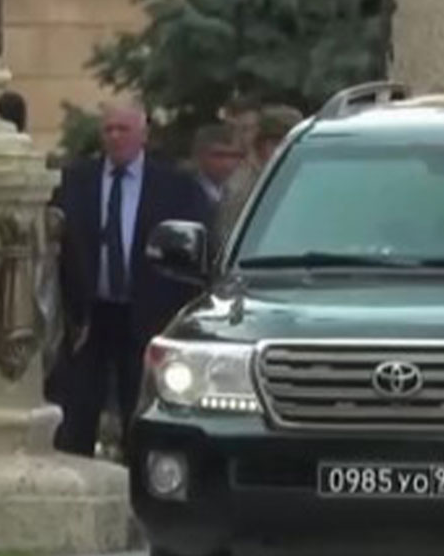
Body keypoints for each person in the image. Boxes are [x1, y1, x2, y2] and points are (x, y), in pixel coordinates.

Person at [48, 100, 212, 457]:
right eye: (109, 129)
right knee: (77, 412)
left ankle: (138, 476)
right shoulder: (77, 182)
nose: (115, 137)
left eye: (123, 129)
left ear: (143, 134)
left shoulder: (175, 187)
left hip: (147, 315)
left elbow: (196, 248)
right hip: (89, 317)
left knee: (139, 410)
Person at [216, 104, 303, 245]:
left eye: (295, 144)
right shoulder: (243, 186)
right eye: (277, 142)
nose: (287, 150)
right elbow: (231, 240)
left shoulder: (306, 178)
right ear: (260, 145)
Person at [189, 124, 243, 205]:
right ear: (200, 156)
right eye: (219, 155)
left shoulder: (234, 193)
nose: (227, 163)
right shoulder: (187, 194)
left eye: (234, 156)